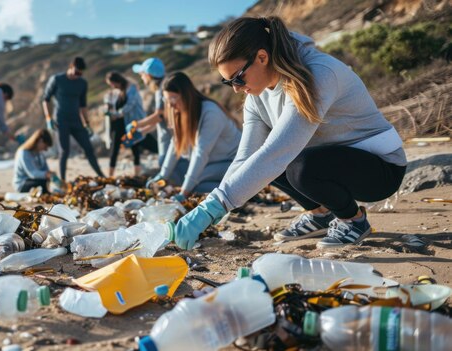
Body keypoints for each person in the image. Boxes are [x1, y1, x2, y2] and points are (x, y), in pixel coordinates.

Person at [172, 16, 407, 250]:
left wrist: (216, 205)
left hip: (381, 169)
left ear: (262, 57)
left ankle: (353, 221)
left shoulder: (317, 74)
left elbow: (279, 151)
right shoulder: (256, 95)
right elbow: (246, 157)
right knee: (261, 165)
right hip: (332, 161)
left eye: (237, 78)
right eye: (227, 82)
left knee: (296, 167)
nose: (235, 88)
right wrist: (212, 207)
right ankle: (321, 215)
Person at [145, 72, 242, 199]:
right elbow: (176, 144)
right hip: (213, 162)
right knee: (179, 174)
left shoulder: (211, 113)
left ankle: (240, 190)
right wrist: (163, 175)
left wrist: (183, 193)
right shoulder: (182, 111)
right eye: (166, 100)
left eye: (173, 99)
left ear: (185, 96)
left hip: (232, 162)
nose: (170, 105)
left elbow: (201, 153)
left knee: (193, 184)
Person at [42, 57, 104, 181]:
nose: (77, 76)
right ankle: (63, 180)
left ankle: (101, 175)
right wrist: (48, 118)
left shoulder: (82, 83)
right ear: (71, 67)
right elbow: (46, 99)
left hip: (76, 121)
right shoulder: (57, 79)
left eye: (80, 73)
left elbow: (83, 106)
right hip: (61, 121)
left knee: (88, 148)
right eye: (76, 72)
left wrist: (86, 124)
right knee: (64, 151)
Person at [104, 72, 158, 177]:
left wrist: (117, 114)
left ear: (117, 81)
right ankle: (110, 176)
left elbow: (130, 105)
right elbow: (110, 104)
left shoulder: (131, 89)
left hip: (129, 123)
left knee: (135, 148)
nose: (112, 86)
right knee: (115, 149)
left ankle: (136, 175)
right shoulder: (116, 92)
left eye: (112, 84)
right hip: (118, 125)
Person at [131, 57, 172, 166]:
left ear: (148, 75)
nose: (141, 77)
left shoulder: (161, 90)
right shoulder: (164, 87)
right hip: (169, 137)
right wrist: (143, 131)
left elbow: (159, 116)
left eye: (141, 74)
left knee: (166, 164)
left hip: (169, 138)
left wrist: (135, 124)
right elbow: (161, 118)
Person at [13, 129, 55, 193]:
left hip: (35, 180)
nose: (46, 149)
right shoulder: (24, 153)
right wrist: (46, 174)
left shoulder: (40, 153)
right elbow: (32, 173)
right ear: (40, 141)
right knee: (43, 184)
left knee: (50, 182)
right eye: (45, 146)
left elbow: (45, 169)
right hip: (22, 183)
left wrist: (50, 174)